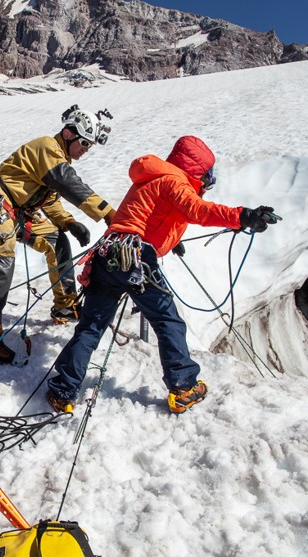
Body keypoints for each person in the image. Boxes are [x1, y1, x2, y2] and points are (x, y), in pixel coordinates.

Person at [45, 136, 280, 414]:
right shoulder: (174, 181)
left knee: (91, 327)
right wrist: (244, 216)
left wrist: (170, 238)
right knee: (168, 320)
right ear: (197, 171)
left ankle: (62, 390)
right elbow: (198, 210)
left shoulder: (148, 179)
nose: (207, 183)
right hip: (134, 257)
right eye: (207, 177)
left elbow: (146, 216)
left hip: (108, 254)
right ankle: (183, 387)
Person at [0, 105, 116, 364]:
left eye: (90, 145)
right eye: (84, 142)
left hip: (16, 213)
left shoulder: (57, 158)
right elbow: (67, 182)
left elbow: (49, 200)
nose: (86, 149)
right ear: (69, 133)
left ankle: (64, 304)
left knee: (57, 242)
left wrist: (68, 222)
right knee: (0, 270)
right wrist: (107, 213)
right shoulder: (47, 148)